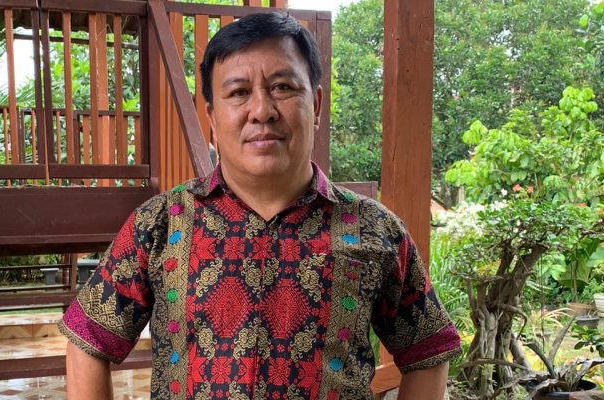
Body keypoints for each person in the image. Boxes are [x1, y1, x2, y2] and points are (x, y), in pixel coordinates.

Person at [59, 12, 461, 400]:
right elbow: (87, 338)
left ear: (316, 105)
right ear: (212, 120)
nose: (262, 111)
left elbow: (429, 349)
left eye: (282, 87)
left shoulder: (375, 229)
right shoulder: (159, 224)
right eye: (238, 93)